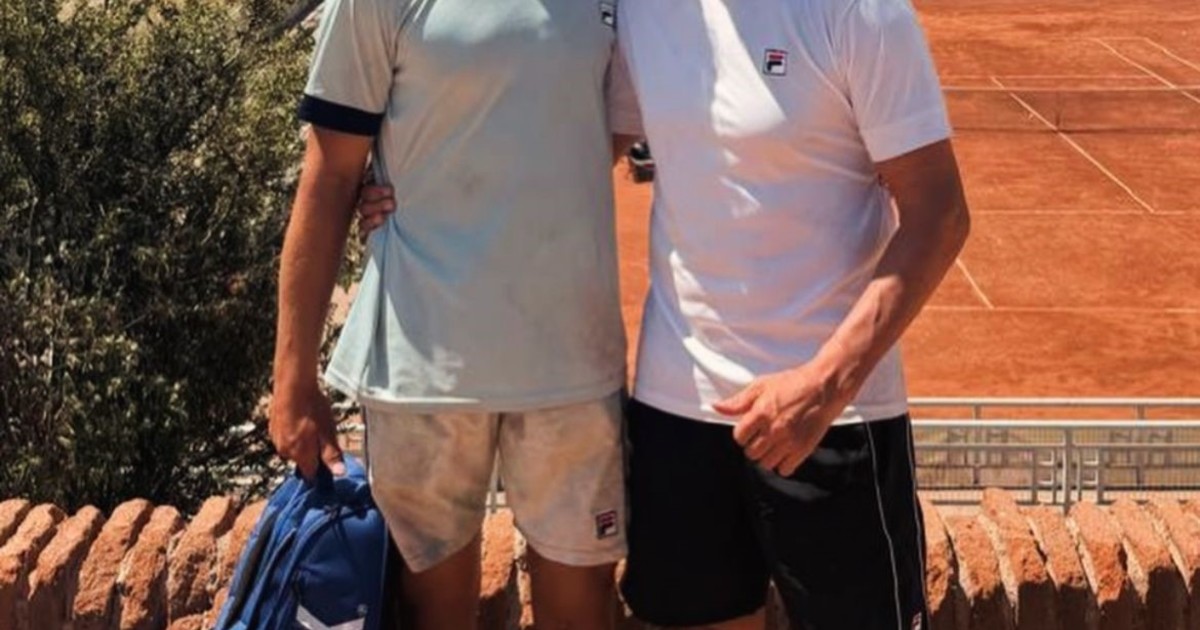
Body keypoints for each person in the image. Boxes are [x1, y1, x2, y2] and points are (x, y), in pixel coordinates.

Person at [359, 0, 970, 627]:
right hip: (678, 412)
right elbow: (569, 145)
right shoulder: (643, 10)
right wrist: (409, 185)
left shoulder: (861, 13)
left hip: (830, 417)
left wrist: (823, 386)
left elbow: (941, 213)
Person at [267, 0, 642, 626]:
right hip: (422, 367)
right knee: (433, 614)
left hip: (572, 360)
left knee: (582, 610)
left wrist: (469, 175)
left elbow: (600, 130)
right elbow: (330, 174)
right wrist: (293, 378)